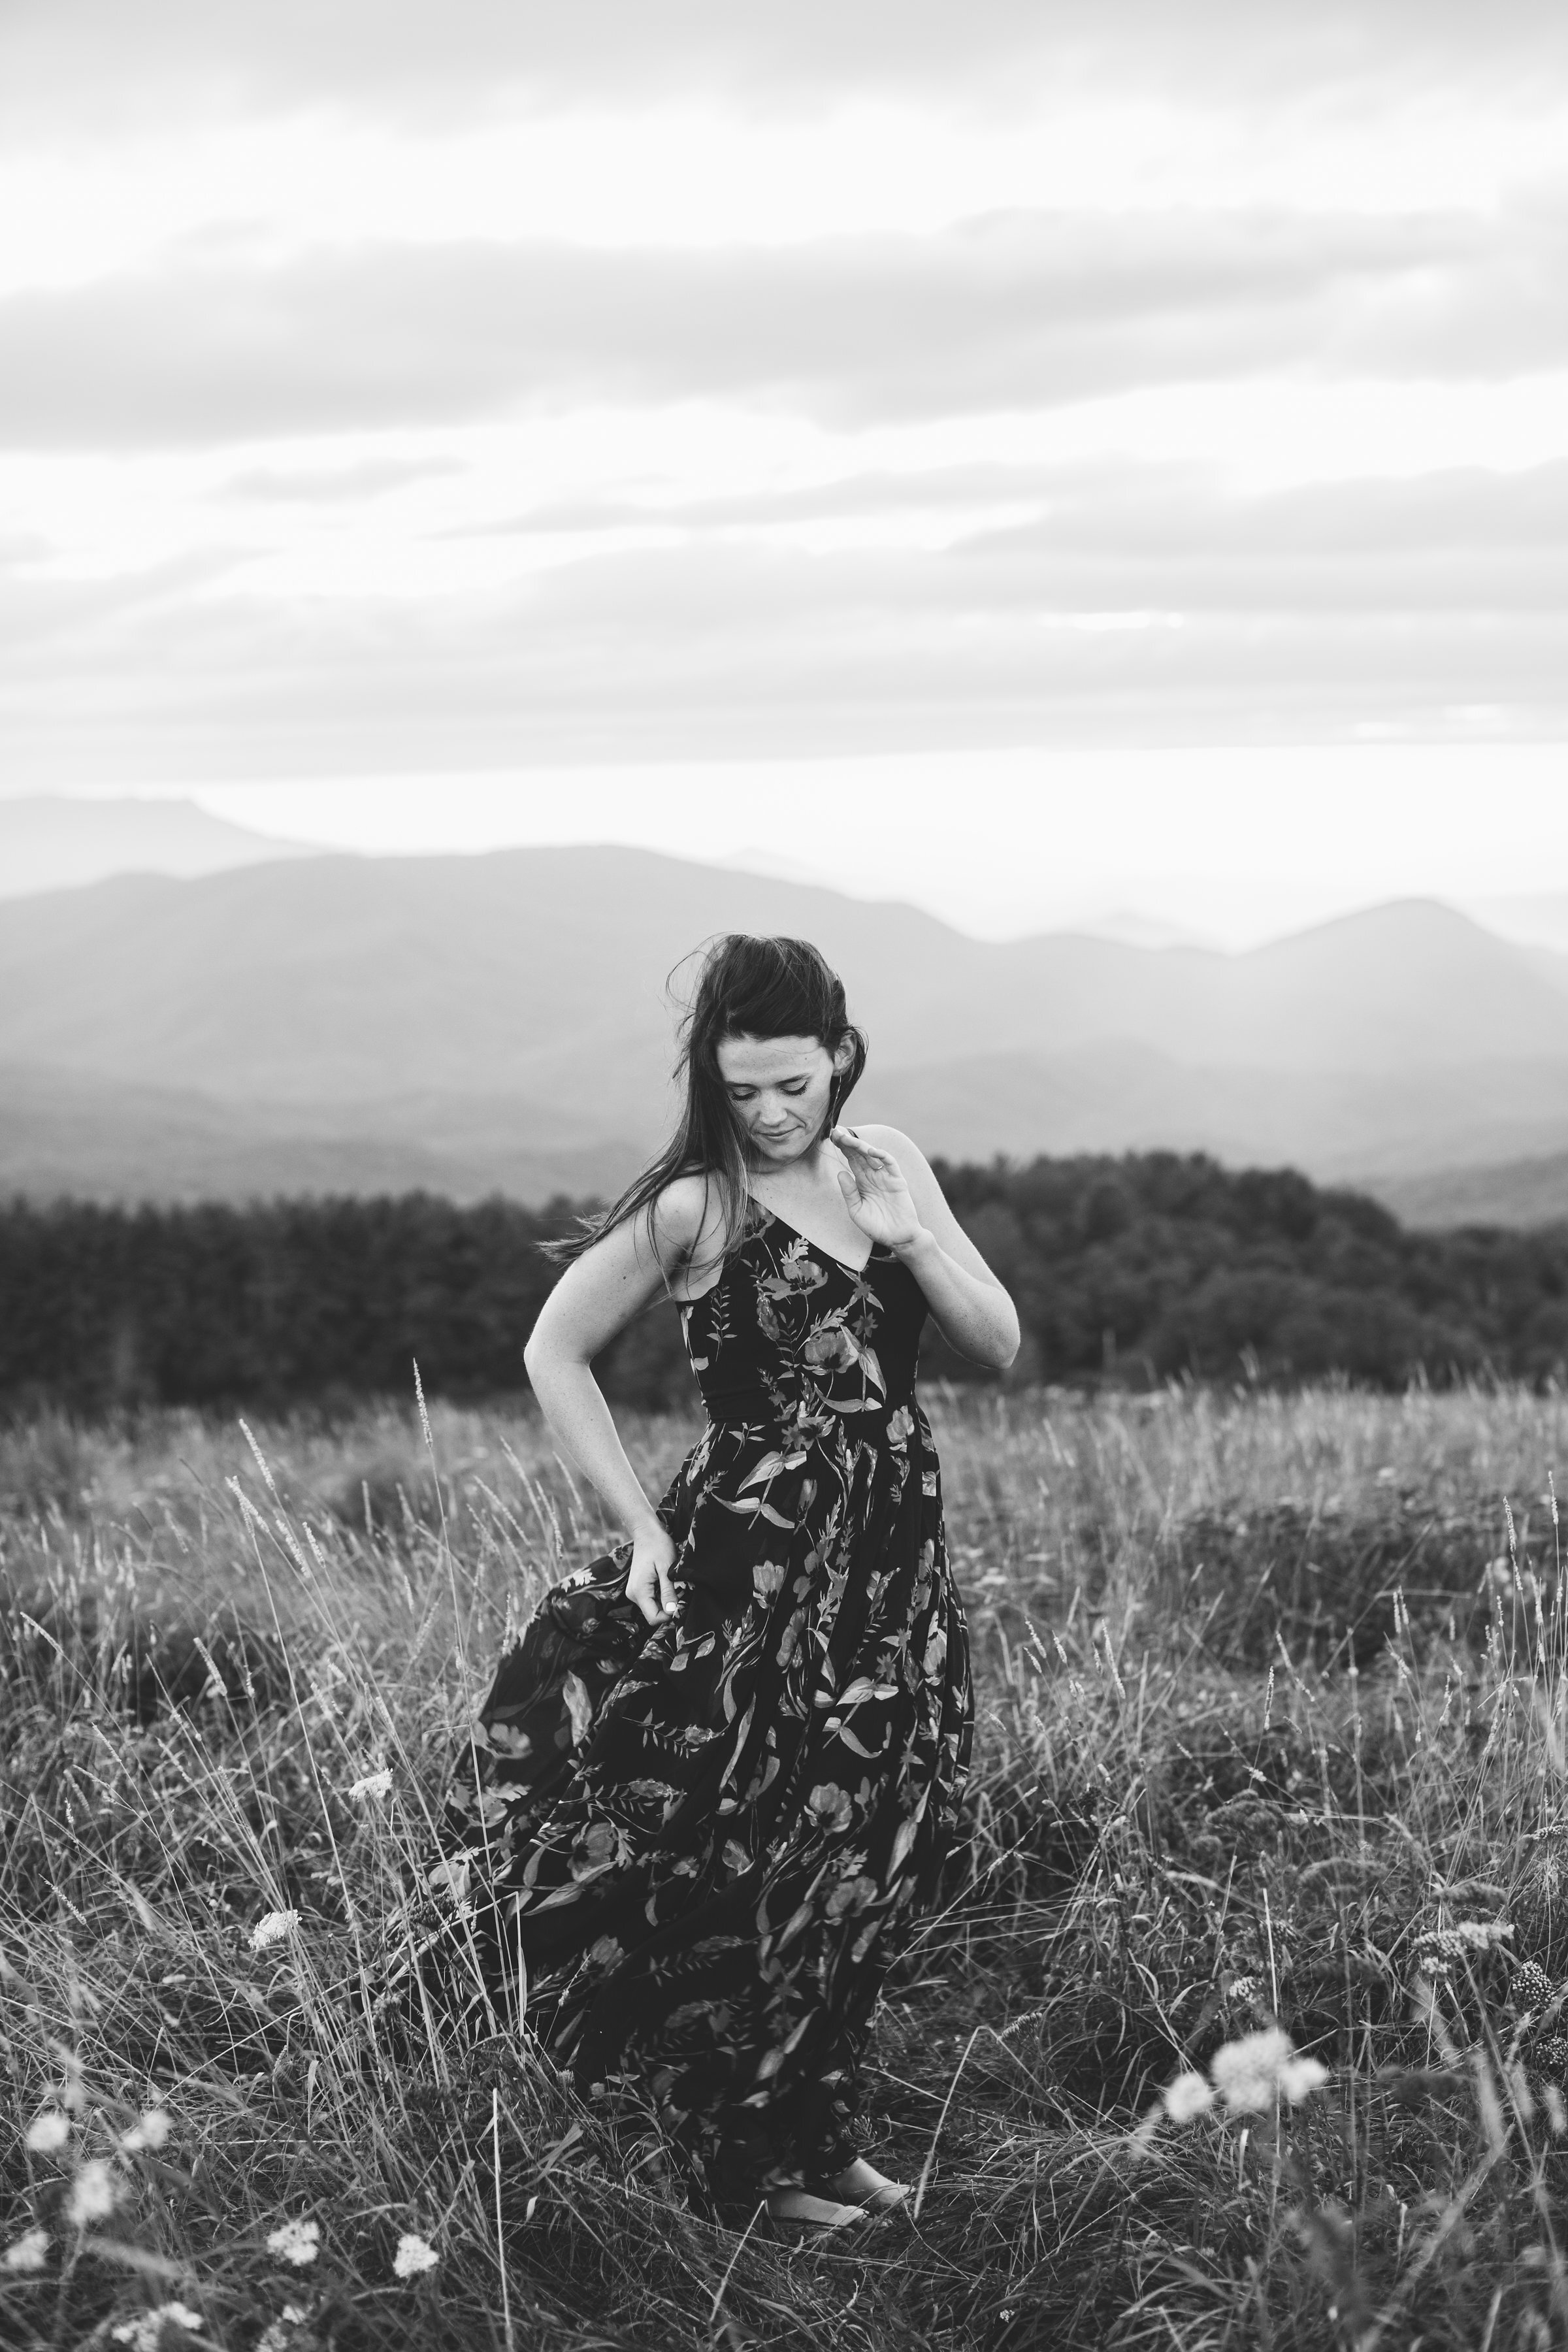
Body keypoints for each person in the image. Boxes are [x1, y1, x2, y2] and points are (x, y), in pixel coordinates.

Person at [386, 934, 1019, 2227]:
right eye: (744, 1091)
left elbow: (997, 1344)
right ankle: (733, 2166)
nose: (775, 1113)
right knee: (740, 1855)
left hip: (889, 1562)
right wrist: (642, 1531)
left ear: (841, 1056)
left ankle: (814, 2134)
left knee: (867, 1849)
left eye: (797, 1083)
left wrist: (910, 1239)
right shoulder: (696, 1207)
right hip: (748, 1567)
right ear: (709, 1082)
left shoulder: (887, 1161)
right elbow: (554, 1349)